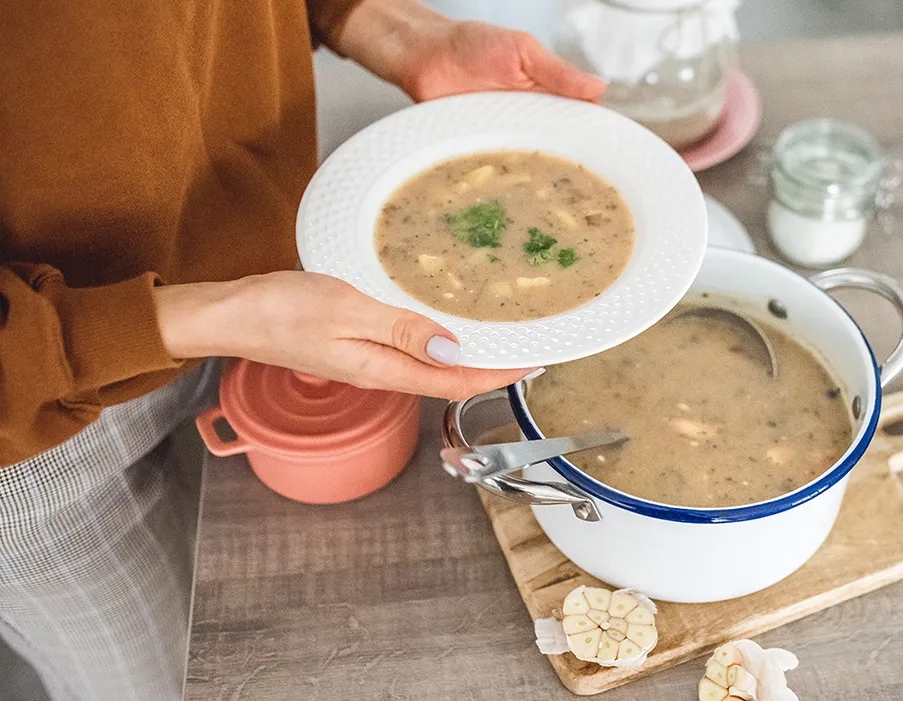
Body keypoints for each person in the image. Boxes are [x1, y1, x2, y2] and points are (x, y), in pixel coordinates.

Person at [0, 1, 606, 699]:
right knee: (159, 685)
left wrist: (393, 29)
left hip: (271, 275)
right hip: (37, 414)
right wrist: (224, 314)